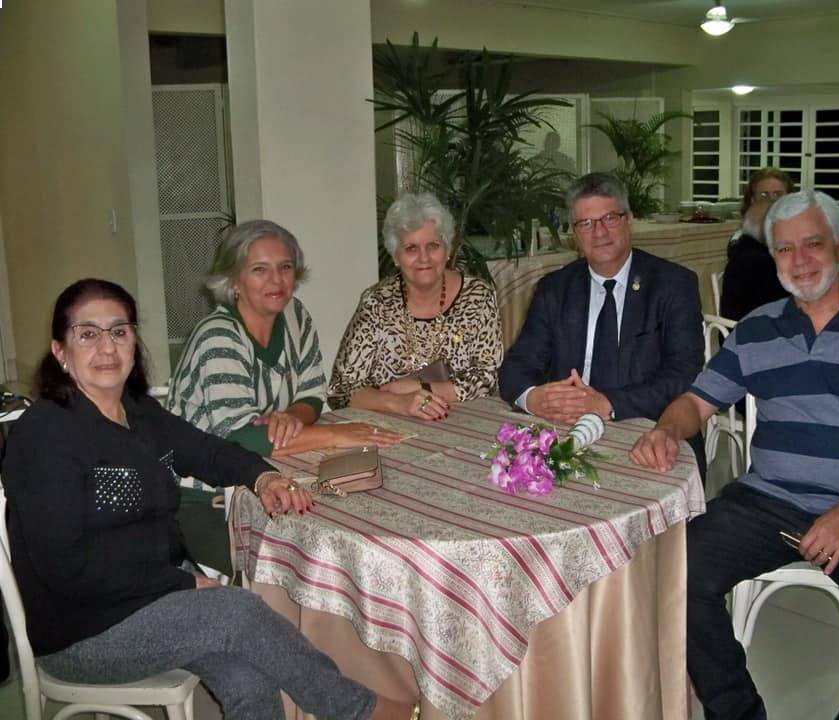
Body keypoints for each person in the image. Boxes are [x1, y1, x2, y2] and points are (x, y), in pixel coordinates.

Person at [0, 278, 415, 720]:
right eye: (87, 334)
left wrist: (262, 476)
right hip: (84, 630)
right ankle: (361, 711)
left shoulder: (138, 412)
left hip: (156, 596)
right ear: (60, 352)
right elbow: (64, 568)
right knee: (238, 612)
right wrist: (179, 585)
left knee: (249, 679)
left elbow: (206, 451)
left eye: (119, 331)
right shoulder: (46, 435)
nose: (107, 347)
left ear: (134, 341)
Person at [630, 190, 839, 720]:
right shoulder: (758, 327)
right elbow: (696, 403)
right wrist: (666, 428)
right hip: (767, 503)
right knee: (671, 575)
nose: (799, 261)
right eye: (784, 249)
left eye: (812, 244)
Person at [498, 172, 706, 475]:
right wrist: (534, 398)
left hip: (649, 432)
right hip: (569, 434)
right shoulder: (555, 288)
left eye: (609, 218)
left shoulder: (673, 284)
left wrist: (608, 403)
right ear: (574, 234)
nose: (599, 232)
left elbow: (684, 375)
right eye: (586, 223)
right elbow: (517, 364)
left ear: (629, 220)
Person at [168, 219, 400, 456]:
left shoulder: (295, 315)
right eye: (260, 269)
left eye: (285, 267)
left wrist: (288, 420)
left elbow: (311, 396)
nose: (276, 280)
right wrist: (334, 434)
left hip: (262, 460)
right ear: (234, 281)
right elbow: (240, 439)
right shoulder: (218, 337)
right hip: (200, 470)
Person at [328, 193, 503, 419]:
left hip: (464, 422)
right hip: (390, 424)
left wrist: (422, 389)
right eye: (411, 248)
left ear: (447, 250)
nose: (424, 258)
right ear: (396, 256)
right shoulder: (377, 303)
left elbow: (487, 379)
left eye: (433, 246)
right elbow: (341, 391)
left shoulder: (477, 296)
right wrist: (400, 402)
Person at [719, 167, 794, 321]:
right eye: (764, 195)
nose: (772, 201)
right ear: (752, 200)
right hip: (756, 328)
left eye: (778, 195)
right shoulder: (749, 250)